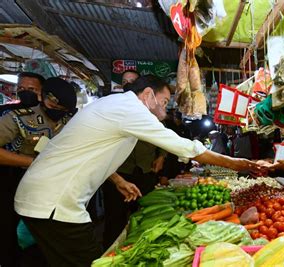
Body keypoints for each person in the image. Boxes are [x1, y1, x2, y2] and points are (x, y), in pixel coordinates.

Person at [14, 75, 261, 266]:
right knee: (90, 261)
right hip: (54, 203)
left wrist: (117, 179)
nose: (166, 108)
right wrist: (238, 164)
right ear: (148, 95)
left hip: (42, 196)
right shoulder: (129, 109)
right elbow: (183, 146)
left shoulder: (117, 105)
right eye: (164, 101)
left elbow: (92, 150)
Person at [0, 77, 76, 267]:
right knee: (9, 232)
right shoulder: (18, 117)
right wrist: (32, 162)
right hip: (17, 181)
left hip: (54, 187)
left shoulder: (71, 121)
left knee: (50, 238)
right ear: (43, 96)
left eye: (62, 109)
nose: (56, 111)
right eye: (53, 105)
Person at [102, 70, 164, 248]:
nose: (128, 84)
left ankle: (139, 248)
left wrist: (161, 156)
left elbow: (165, 139)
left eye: (132, 81)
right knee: (115, 218)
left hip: (145, 171)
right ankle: (112, 253)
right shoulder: (115, 109)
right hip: (118, 172)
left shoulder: (151, 112)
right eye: (124, 81)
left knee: (145, 214)